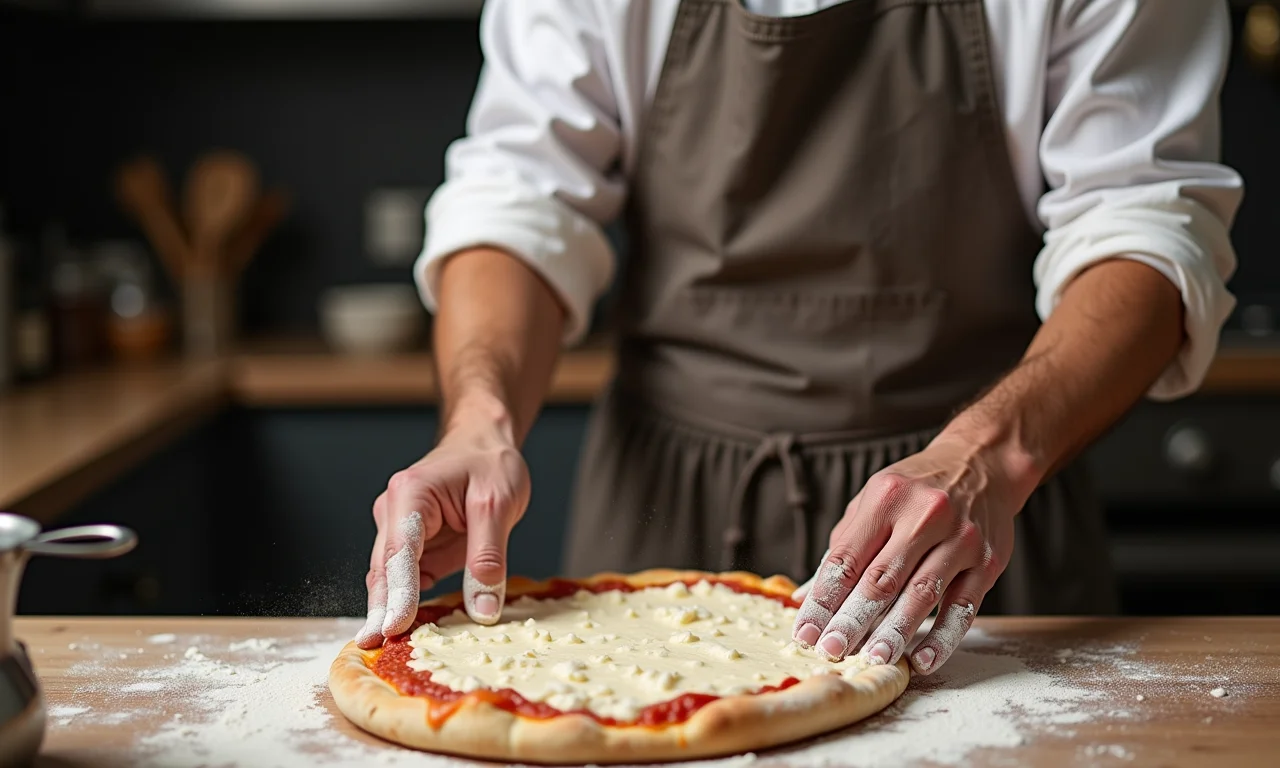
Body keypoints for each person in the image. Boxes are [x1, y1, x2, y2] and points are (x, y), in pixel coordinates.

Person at [356, 0, 1242, 676]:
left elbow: (1145, 225)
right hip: (664, 509)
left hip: (970, 523)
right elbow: (523, 198)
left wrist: (985, 457)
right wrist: (480, 417)